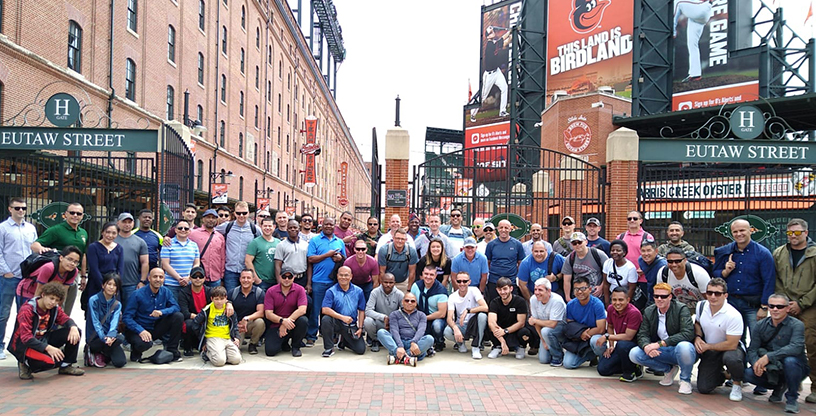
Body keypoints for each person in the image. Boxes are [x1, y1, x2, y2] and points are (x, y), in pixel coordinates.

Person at [773, 218, 816, 404]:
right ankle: (792, 380)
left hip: (809, 305)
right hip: (785, 305)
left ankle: (815, 387)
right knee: (784, 344)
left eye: (797, 232)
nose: (793, 236)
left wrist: (802, 303)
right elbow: (776, 279)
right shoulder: (779, 253)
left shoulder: (814, 254)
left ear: (806, 233)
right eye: (790, 233)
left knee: (811, 345)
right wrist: (785, 303)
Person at [713, 218, 776, 345]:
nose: (738, 234)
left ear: (750, 231)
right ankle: (738, 365)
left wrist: (764, 306)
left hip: (753, 305)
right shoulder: (725, 252)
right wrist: (725, 272)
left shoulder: (763, 253)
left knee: (758, 340)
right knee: (734, 341)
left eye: (742, 230)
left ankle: (756, 365)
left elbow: (769, 280)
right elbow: (714, 274)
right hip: (731, 303)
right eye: (735, 231)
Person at [744, 294, 809, 414]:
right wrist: (756, 364)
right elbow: (752, 349)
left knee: (790, 361)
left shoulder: (797, 325)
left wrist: (769, 357)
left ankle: (792, 398)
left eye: (779, 306)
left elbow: (796, 347)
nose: (775, 309)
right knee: (748, 374)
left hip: (795, 367)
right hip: (771, 367)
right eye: (772, 306)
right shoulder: (760, 325)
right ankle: (779, 386)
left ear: (787, 308)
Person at [629, 282, 696, 394]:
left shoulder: (681, 309)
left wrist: (660, 344)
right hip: (662, 351)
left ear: (670, 297)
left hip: (677, 349)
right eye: (656, 296)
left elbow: (687, 333)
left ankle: (685, 379)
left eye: (663, 296)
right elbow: (642, 334)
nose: (659, 299)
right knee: (634, 354)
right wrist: (646, 346)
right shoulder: (649, 311)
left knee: (684, 346)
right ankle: (669, 370)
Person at [9, 281, 84, 379]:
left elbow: (65, 319)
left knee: (75, 332)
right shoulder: (27, 310)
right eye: (51, 298)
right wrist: (48, 348)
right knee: (52, 362)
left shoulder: (54, 308)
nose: (53, 302)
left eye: (57, 300)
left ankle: (66, 366)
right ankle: (25, 363)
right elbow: (26, 338)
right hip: (26, 345)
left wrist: (73, 327)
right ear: (43, 295)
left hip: (44, 338)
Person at [30, 202, 88, 316]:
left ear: (82, 216)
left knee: (67, 309)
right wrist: (43, 249)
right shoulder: (56, 230)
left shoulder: (83, 233)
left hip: (74, 275)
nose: (75, 215)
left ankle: (62, 330)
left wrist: (83, 276)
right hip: (59, 274)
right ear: (65, 214)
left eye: (78, 213)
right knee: (55, 306)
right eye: (72, 212)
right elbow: (35, 245)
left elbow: (84, 255)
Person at [694, 278, 746, 401]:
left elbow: (732, 344)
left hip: (730, 348)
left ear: (725, 295)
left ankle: (737, 383)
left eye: (717, 293)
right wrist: (697, 337)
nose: (712, 296)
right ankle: (722, 375)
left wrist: (708, 346)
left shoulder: (733, 315)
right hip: (711, 349)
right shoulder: (701, 306)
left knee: (732, 359)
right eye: (709, 293)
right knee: (704, 388)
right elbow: (697, 323)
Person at [0, 197, 37, 359]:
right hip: (9, 277)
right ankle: (0, 346)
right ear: (10, 209)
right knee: (3, 313)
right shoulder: (3, 228)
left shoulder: (30, 228)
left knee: (26, 313)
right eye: (17, 208)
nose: (21, 211)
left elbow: (34, 250)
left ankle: (22, 345)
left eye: (23, 208)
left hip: (27, 279)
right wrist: (5, 271)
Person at [122, 267, 184, 362]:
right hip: (138, 329)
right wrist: (140, 330)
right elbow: (127, 317)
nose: (158, 279)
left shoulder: (166, 292)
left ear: (164, 279)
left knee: (178, 316)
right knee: (144, 343)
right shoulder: (137, 294)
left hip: (155, 327)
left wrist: (162, 312)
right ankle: (136, 351)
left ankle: (172, 350)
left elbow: (176, 307)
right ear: (149, 278)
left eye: (161, 277)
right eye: (155, 277)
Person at [307, 216, 346, 347]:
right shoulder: (315, 240)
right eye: (326, 224)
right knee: (316, 310)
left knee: (333, 310)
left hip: (334, 281)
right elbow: (311, 259)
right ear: (322, 225)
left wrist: (340, 257)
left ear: (334, 226)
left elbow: (345, 259)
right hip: (318, 281)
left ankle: (333, 334)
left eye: (331, 224)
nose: (329, 226)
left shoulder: (339, 241)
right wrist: (327, 255)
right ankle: (312, 335)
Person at [597, 287, 643, 381]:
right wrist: (611, 346)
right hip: (620, 343)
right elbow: (610, 326)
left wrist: (607, 337)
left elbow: (628, 336)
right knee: (603, 369)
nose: (617, 303)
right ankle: (633, 366)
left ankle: (630, 373)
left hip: (634, 344)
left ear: (628, 300)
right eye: (614, 300)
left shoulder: (634, 313)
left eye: (621, 300)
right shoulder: (610, 308)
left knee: (623, 345)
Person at [215, 201, 262, 293]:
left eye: (244, 213)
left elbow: (264, 241)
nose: (241, 215)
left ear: (248, 213)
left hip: (247, 272)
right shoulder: (227, 226)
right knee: (231, 299)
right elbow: (211, 232)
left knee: (247, 300)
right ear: (234, 213)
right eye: (238, 213)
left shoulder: (255, 229)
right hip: (230, 271)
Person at [562, 276, 607, 369]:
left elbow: (601, 328)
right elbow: (570, 325)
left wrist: (584, 333)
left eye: (583, 288)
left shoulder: (597, 304)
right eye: (576, 289)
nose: (579, 292)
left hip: (594, 335)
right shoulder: (570, 305)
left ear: (590, 289)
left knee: (596, 341)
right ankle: (591, 355)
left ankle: (604, 361)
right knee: (568, 364)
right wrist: (580, 334)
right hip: (579, 338)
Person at [320, 266, 366, 357]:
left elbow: (361, 310)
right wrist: (342, 317)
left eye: (346, 275)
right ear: (337, 276)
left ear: (351, 276)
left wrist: (360, 328)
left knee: (360, 350)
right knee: (325, 319)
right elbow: (325, 309)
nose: (343, 277)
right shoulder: (331, 291)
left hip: (350, 325)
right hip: (336, 322)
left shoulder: (358, 291)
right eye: (341, 275)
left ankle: (344, 341)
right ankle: (329, 348)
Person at [378, 292, 434, 366]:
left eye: (412, 301)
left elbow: (421, 330)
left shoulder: (421, 315)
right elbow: (394, 331)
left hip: (414, 344)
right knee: (381, 332)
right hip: (398, 342)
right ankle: (408, 357)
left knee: (429, 339)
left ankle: (397, 357)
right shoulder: (394, 314)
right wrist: (400, 346)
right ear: (402, 302)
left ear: (416, 303)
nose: (409, 303)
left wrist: (414, 342)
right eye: (407, 300)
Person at [264, 267, 309, 357]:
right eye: (284, 276)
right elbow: (268, 314)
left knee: (303, 320)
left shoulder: (299, 289)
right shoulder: (271, 291)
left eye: (290, 277)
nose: (287, 279)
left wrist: (286, 322)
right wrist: (282, 321)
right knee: (270, 351)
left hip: (293, 324)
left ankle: (296, 347)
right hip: (276, 324)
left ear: (294, 277)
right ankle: (284, 342)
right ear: (280, 277)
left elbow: (302, 309)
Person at [17, 246, 82, 306]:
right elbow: (39, 290)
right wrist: (35, 308)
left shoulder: (73, 271)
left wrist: (57, 310)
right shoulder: (49, 267)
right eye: (69, 259)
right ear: (61, 258)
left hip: (47, 296)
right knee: (27, 315)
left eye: (76, 262)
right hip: (28, 291)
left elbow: (63, 293)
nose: (72, 263)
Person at [193, 286, 241, 367]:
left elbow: (235, 323)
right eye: (216, 299)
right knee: (219, 362)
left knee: (236, 360)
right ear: (212, 299)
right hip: (213, 337)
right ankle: (208, 352)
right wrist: (203, 340)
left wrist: (236, 336)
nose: (219, 302)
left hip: (227, 337)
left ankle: (221, 353)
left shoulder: (229, 308)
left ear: (226, 298)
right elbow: (195, 323)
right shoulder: (207, 310)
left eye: (222, 299)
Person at [444, 271, 488, 359]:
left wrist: (468, 311)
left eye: (465, 281)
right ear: (456, 282)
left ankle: (477, 346)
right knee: (447, 331)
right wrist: (455, 328)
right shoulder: (452, 296)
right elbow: (449, 318)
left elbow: (485, 307)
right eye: (459, 281)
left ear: (469, 282)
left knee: (482, 316)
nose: (462, 284)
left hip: (474, 323)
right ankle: (460, 343)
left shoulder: (474, 290)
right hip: (461, 324)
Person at [85, 273, 126, 368]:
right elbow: (95, 322)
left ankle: (103, 354)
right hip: (96, 338)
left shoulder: (117, 304)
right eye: (109, 284)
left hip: (109, 339)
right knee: (115, 341)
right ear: (103, 285)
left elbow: (114, 322)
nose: (111, 287)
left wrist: (110, 336)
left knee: (120, 362)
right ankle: (96, 352)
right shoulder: (93, 300)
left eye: (115, 285)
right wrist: (104, 337)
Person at [470, 24, 510, 122]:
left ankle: (502, 111)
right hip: (489, 75)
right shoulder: (490, 46)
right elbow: (503, 41)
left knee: (504, 88)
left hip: (497, 72)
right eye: (491, 32)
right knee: (483, 96)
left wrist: (510, 31)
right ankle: (472, 114)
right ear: (488, 36)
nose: (493, 33)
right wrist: (510, 32)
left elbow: (502, 39)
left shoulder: (493, 43)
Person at [82, 222, 124, 312]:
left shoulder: (119, 248)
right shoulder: (93, 247)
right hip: (96, 284)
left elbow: (120, 269)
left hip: (113, 285)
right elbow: (94, 268)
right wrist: (104, 286)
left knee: (111, 313)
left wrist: (115, 285)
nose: (110, 235)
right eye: (108, 232)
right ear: (102, 232)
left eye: (114, 233)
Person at [487, 277, 532, 360]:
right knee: (490, 326)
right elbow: (491, 322)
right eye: (500, 290)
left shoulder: (520, 301)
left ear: (511, 288)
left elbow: (521, 323)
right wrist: (502, 341)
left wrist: (505, 331)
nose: (502, 292)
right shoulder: (494, 302)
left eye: (505, 289)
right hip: (499, 331)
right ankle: (497, 347)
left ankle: (520, 347)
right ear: (497, 290)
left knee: (525, 331)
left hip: (513, 331)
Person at [485, 220, 525, 304]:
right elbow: (488, 262)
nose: (503, 230)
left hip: (511, 281)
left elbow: (520, 262)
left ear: (510, 229)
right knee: (493, 306)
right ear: (497, 229)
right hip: (494, 282)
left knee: (512, 306)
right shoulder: (491, 245)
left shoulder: (517, 244)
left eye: (506, 228)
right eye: (501, 227)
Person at [529, 278, 567, 366]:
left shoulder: (557, 300)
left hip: (561, 327)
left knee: (546, 331)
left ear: (548, 291)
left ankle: (558, 356)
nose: (537, 293)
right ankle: (554, 347)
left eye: (540, 290)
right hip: (545, 330)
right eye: (535, 289)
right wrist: (543, 340)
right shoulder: (533, 299)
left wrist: (535, 320)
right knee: (543, 360)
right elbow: (536, 323)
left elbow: (553, 324)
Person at [562, 232, 609, 302]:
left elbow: (608, 272)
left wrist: (601, 287)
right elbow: (567, 280)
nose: (577, 245)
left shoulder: (598, 254)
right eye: (574, 243)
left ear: (586, 242)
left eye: (580, 242)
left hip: (596, 295)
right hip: (578, 295)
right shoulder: (570, 258)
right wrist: (568, 297)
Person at [114, 213, 148, 309]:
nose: (127, 224)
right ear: (118, 223)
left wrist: (142, 281)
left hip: (132, 283)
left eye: (130, 222)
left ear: (133, 224)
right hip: (113, 283)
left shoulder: (140, 242)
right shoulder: (112, 240)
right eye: (124, 222)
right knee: (113, 311)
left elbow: (145, 262)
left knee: (129, 311)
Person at [412, 265, 449, 353]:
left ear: (436, 276)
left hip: (436, 318)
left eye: (431, 274)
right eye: (426, 274)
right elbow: (412, 303)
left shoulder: (441, 291)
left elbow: (442, 313)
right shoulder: (416, 286)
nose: (428, 277)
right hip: (420, 315)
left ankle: (439, 342)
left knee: (437, 326)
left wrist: (424, 318)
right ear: (422, 274)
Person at [161, 219, 201, 301]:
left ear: (189, 231)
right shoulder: (168, 244)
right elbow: (165, 265)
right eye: (180, 228)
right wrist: (179, 278)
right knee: (173, 311)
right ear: (175, 230)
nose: (183, 230)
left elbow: (196, 264)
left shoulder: (194, 245)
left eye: (186, 228)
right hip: (171, 284)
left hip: (189, 284)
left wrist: (188, 278)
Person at [364, 273, 404, 352]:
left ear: (394, 283)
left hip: (393, 324)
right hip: (379, 322)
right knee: (367, 321)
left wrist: (393, 319)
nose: (388, 285)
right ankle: (375, 340)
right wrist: (383, 317)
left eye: (391, 282)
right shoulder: (375, 292)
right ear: (381, 282)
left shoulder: (400, 294)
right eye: (385, 282)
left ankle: (393, 339)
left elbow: (404, 311)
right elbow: (368, 311)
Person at [674, 0, 712, 82]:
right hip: (699, 15)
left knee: (677, 2)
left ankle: (673, 30)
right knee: (692, 44)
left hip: (701, 7)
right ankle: (695, 74)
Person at [229, 269, 265, 354]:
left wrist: (246, 319)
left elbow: (261, 312)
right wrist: (228, 303)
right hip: (236, 326)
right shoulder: (232, 292)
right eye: (243, 278)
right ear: (240, 279)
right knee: (235, 351)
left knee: (260, 322)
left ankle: (253, 344)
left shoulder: (259, 293)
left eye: (248, 278)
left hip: (250, 323)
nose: (246, 280)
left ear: (253, 279)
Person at [188, 209, 226, 288]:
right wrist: (167, 238)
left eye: (213, 218)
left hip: (215, 277)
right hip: (198, 276)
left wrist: (221, 275)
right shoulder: (193, 234)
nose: (211, 220)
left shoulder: (220, 237)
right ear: (203, 219)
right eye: (208, 217)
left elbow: (222, 257)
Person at [178, 266, 211, 356]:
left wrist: (229, 303)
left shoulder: (209, 291)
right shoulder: (184, 292)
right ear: (190, 278)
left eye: (200, 277)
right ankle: (187, 347)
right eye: (194, 276)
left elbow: (222, 299)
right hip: (192, 318)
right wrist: (198, 318)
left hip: (206, 319)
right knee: (188, 324)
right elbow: (185, 312)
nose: (197, 279)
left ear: (204, 278)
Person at [377, 228, 419, 294]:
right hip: (388, 283)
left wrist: (409, 289)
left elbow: (412, 272)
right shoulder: (384, 250)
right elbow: (382, 272)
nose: (400, 241)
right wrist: (383, 287)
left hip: (404, 282)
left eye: (402, 239)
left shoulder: (411, 251)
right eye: (397, 238)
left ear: (406, 240)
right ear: (393, 238)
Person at [245, 217, 281, 292]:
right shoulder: (255, 242)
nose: (267, 228)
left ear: (274, 227)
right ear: (261, 227)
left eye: (269, 226)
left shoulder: (279, 242)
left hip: (276, 281)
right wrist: (256, 279)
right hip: (262, 282)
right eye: (265, 226)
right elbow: (248, 261)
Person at [601, 240, 639, 306]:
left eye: (618, 250)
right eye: (613, 250)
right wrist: (607, 303)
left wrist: (625, 304)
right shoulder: (607, 263)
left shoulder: (630, 268)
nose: (615, 252)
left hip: (624, 296)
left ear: (624, 252)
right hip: (611, 295)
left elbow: (632, 288)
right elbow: (606, 284)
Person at [638, 237, 667, 305]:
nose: (646, 254)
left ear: (656, 251)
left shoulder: (662, 265)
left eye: (649, 250)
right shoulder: (641, 260)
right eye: (643, 251)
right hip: (649, 292)